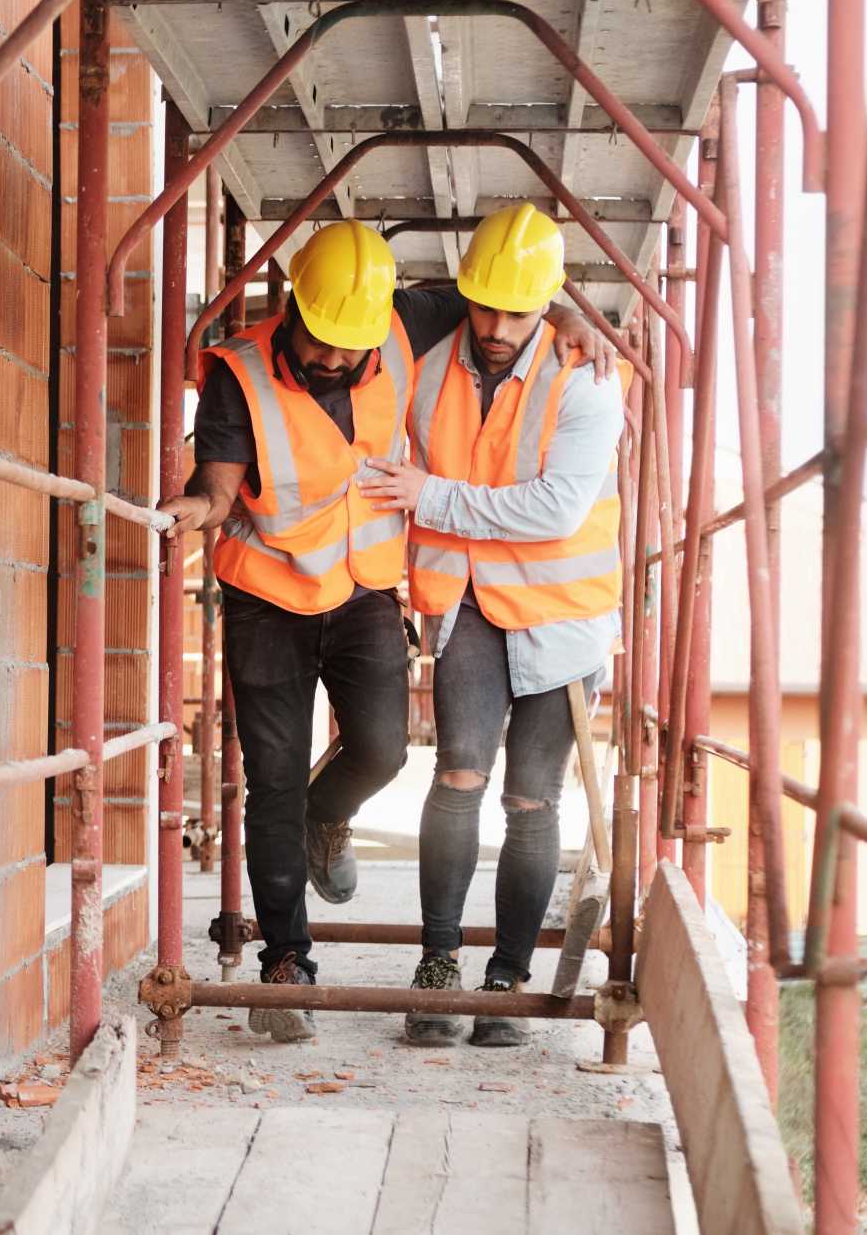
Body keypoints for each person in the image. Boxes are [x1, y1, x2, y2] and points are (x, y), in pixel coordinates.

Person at [159, 219, 612, 1043]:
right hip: (267, 593)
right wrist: (200, 505)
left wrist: (575, 315)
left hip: (367, 588)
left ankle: (328, 818)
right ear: (294, 305)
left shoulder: (405, 320)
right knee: (272, 782)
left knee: (385, 749)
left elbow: (514, 300)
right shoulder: (240, 372)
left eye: (353, 345)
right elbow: (220, 479)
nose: (338, 359)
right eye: (324, 341)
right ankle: (286, 966)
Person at [357, 204, 628, 1048]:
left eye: (519, 311)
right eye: (487, 307)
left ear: (549, 302)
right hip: (470, 599)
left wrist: (429, 496)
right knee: (460, 777)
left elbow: (555, 507)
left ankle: (506, 978)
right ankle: (438, 965)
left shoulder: (584, 377)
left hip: (563, 618)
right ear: (464, 294)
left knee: (531, 797)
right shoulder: (430, 358)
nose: (499, 326)